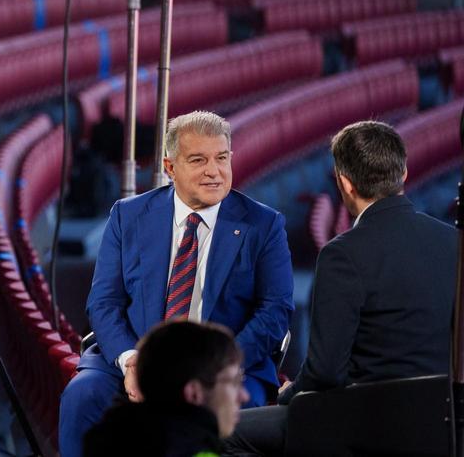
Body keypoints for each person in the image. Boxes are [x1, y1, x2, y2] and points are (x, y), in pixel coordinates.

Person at [57, 111, 293, 457]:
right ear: (170, 167)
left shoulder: (263, 224)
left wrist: (219, 368)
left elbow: (275, 312)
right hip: (137, 355)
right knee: (82, 396)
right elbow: (104, 303)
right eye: (199, 160)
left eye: (222, 158)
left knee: (236, 419)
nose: (214, 171)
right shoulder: (128, 215)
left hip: (225, 370)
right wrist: (131, 362)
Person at [224, 120, 458, 456]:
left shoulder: (342, 255)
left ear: (344, 183)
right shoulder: (453, 242)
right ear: (403, 174)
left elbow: (325, 371)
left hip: (363, 424)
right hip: (440, 425)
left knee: (222, 432)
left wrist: (288, 393)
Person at [84, 321, 248, 457]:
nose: (244, 396)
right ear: (194, 393)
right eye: (233, 382)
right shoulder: (198, 452)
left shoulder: (105, 439)